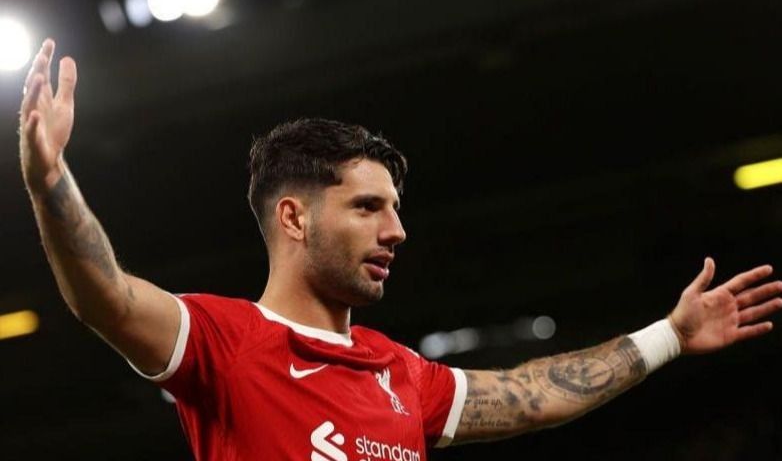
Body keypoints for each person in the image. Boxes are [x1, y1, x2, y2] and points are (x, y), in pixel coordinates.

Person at [18, 39, 782, 461]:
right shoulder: (225, 343)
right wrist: (51, 181)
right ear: (293, 218)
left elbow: (534, 393)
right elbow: (105, 295)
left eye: (395, 210)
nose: (397, 231)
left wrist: (671, 334)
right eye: (367, 208)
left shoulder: (402, 375)